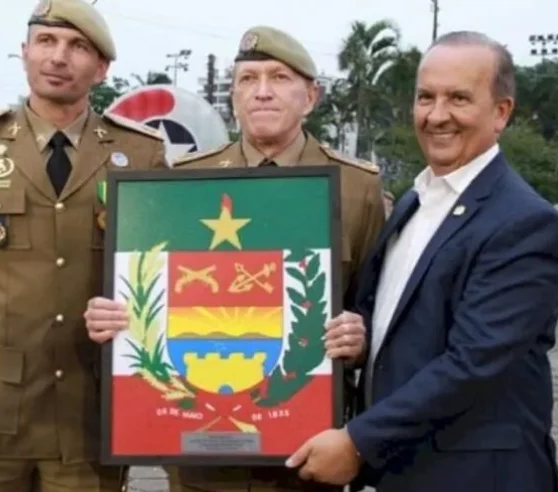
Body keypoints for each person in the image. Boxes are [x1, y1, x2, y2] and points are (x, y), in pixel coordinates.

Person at [84, 25, 386, 492]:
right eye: (248, 79)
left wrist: (359, 337)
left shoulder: (356, 187)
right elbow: (155, 292)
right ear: (234, 97)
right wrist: (112, 317)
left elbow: (375, 307)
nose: (262, 91)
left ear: (311, 96)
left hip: (307, 454)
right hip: (199, 459)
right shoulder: (184, 181)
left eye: (279, 77)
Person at [285, 31, 558, 492]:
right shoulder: (414, 202)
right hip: (405, 471)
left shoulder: (524, 222)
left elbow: (472, 363)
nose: (437, 115)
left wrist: (356, 443)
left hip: (478, 477)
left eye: (459, 98)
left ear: (501, 112)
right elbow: (399, 320)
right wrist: (360, 339)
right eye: (425, 97)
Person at [0, 0, 167, 490]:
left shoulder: (141, 153)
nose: (58, 57)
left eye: (77, 46)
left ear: (101, 68)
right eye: (46, 42)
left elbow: (163, 284)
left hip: (91, 416)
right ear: (24, 52)